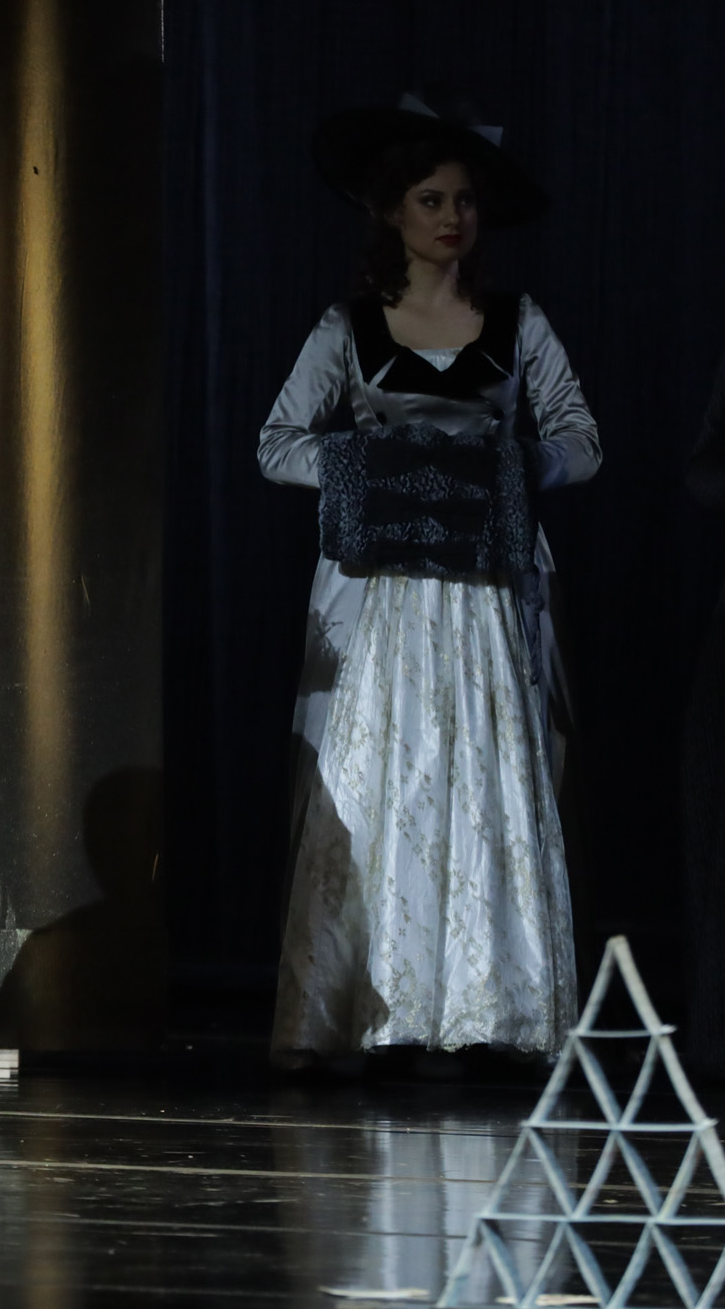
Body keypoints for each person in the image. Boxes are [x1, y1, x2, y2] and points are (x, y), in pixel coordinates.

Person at [263, 96, 599, 1065]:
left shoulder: (516, 324)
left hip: (486, 592)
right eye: (432, 200)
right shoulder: (351, 327)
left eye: (465, 201)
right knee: (384, 782)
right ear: (391, 212)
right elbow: (277, 443)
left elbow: (582, 440)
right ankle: (373, 1012)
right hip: (381, 595)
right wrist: (373, 468)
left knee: (484, 782)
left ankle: (492, 1013)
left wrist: (507, 470)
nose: (453, 218)